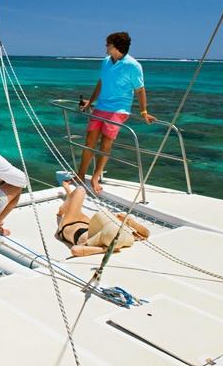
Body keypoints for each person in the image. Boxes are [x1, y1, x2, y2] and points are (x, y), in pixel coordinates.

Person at [78, 32, 157, 193]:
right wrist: (90, 102)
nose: (105, 47)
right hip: (101, 107)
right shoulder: (106, 61)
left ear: (116, 47)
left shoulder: (133, 66)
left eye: (107, 44)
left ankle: (95, 177)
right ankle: (80, 175)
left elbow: (140, 90)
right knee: (89, 141)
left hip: (118, 110)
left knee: (106, 144)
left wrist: (143, 112)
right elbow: (101, 82)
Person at [55, 179, 150, 257]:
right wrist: (130, 221)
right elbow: (146, 234)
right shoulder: (119, 238)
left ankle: (65, 201)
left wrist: (106, 250)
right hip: (90, 225)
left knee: (80, 190)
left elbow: (75, 250)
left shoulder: (89, 244)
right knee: (76, 199)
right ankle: (69, 195)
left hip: (69, 223)